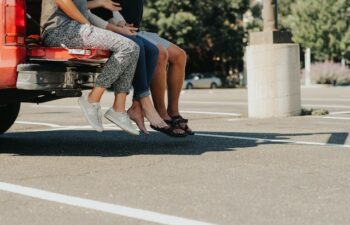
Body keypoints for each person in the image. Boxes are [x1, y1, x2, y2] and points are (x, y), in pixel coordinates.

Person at [91, 0, 193, 135]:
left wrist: (120, 22)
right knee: (160, 53)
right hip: (115, 29)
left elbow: (113, 10)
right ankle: (160, 112)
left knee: (180, 56)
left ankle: (173, 112)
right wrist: (117, 25)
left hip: (134, 29)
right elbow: (99, 10)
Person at [40, 0, 140, 135]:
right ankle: (92, 99)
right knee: (128, 47)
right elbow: (62, 1)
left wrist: (102, 8)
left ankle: (119, 109)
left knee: (133, 47)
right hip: (59, 30)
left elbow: (81, 6)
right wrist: (87, 24)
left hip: (74, 27)